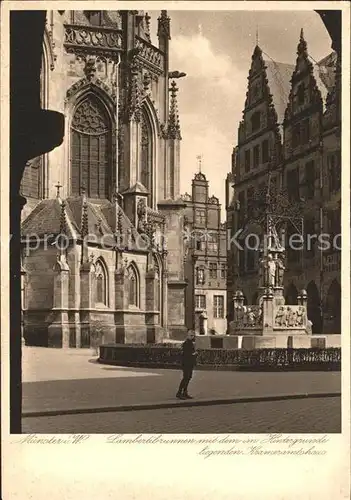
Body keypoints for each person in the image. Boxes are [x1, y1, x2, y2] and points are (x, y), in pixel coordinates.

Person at [176, 330, 197, 399]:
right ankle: (179, 393)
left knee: (188, 377)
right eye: (191, 335)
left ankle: (185, 392)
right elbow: (185, 354)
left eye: (193, 335)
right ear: (187, 336)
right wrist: (193, 354)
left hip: (190, 363)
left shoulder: (191, 343)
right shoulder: (186, 343)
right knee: (186, 378)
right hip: (186, 363)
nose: (192, 337)